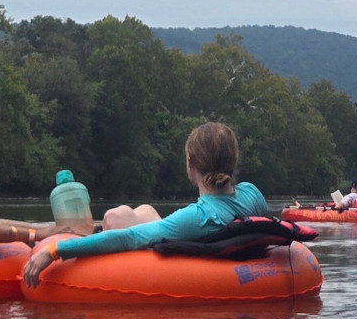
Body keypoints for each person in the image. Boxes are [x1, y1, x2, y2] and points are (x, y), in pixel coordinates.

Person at [23, 122, 267, 287]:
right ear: (234, 161)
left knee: (114, 219)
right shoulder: (252, 194)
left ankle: (86, 231)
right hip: (210, 247)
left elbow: (127, 238)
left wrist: (56, 251)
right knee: (145, 211)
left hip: (192, 252)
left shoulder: (198, 217)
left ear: (190, 162)